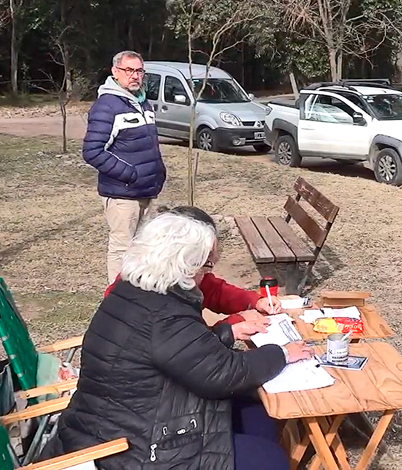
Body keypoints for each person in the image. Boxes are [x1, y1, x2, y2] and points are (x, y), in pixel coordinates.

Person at [40, 212, 311, 469]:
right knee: (269, 459)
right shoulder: (163, 312)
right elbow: (224, 373)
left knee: (255, 413)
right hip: (134, 448)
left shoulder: (134, 291)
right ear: (184, 265)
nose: (206, 274)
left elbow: (179, 353)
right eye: (205, 265)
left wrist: (227, 333)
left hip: (124, 420)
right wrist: (283, 353)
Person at [103, 205, 281, 342]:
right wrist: (234, 324)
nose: (206, 267)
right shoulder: (157, 299)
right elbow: (193, 350)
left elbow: (214, 290)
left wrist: (255, 301)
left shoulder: (171, 272)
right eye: (203, 260)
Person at [83, 50, 166, 284]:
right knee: (122, 250)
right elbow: (92, 151)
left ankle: (138, 295)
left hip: (147, 191)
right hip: (122, 195)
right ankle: (117, 299)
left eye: (139, 71)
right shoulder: (107, 106)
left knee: (143, 250)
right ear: (115, 72)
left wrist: (158, 172)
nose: (135, 75)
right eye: (129, 70)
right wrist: (130, 175)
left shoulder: (142, 103)